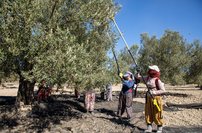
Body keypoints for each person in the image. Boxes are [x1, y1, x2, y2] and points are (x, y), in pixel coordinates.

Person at [136, 65, 165, 133]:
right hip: (148, 99)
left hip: (156, 99)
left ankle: (159, 128)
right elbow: (138, 77)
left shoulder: (157, 80)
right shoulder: (147, 78)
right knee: (148, 112)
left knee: (157, 112)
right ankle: (149, 128)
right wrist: (138, 72)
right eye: (149, 69)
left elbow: (163, 90)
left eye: (151, 69)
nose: (150, 71)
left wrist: (154, 92)